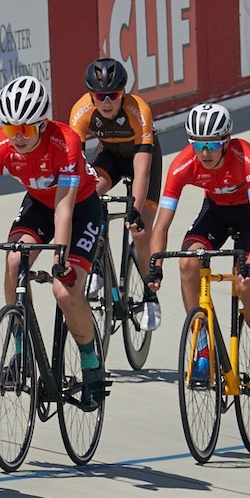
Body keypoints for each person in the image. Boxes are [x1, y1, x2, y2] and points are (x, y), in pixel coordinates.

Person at [0, 75, 107, 410]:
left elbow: (64, 209)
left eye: (26, 130)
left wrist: (60, 260)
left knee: (64, 291)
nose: (17, 138)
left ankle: (91, 362)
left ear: (43, 124)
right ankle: (21, 354)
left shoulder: (65, 141)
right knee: (13, 260)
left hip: (80, 207)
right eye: (10, 129)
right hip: (38, 204)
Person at [148, 103, 250, 396]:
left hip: (249, 216)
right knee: (187, 264)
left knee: (244, 286)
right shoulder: (182, 164)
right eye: (197, 144)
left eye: (212, 144)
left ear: (227, 141)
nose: (204, 152)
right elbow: (161, 226)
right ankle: (203, 348)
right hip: (216, 213)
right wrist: (154, 266)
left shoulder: (246, 157)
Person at [68, 58, 163, 327]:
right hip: (109, 155)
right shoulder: (81, 111)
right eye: (100, 96)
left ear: (123, 93)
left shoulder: (139, 109)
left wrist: (135, 207)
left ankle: (149, 294)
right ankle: (96, 260)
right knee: (89, 193)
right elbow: (77, 165)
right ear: (91, 96)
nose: (107, 102)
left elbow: (142, 170)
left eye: (113, 95)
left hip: (142, 158)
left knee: (140, 231)